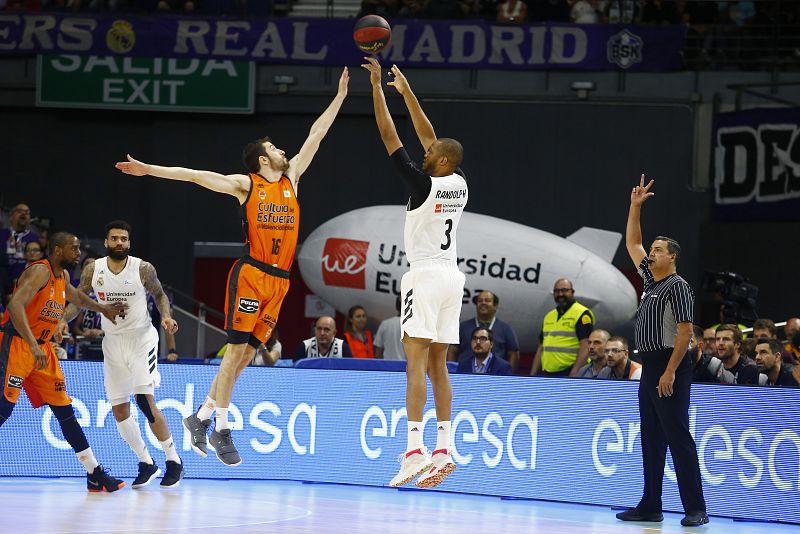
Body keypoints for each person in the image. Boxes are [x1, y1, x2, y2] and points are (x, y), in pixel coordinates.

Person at [116, 68, 349, 467]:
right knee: (235, 351)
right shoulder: (246, 185)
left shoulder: (292, 178)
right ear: (263, 158)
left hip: (280, 281)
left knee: (244, 358)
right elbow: (194, 176)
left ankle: (200, 417)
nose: (282, 151)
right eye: (275, 148)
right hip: (252, 274)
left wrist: (341, 95)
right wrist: (150, 170)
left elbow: (318, 135)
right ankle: (222, 427)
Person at [363, 56, 467, 489]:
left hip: (423, 276)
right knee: (439, 366)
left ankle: (412, 451)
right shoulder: (458, 181)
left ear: (440, 161)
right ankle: (444, 447)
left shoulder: (423, 183)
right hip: (452, 277)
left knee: (415, 364)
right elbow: (431, 137)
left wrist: (376, 89)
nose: (424, 153)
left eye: (429, 154)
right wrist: (407, 93)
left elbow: (390, 136)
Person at [0, 232, 127, 492]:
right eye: (74, 248)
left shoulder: (64, 276)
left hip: (42, 350)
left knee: (65, 412)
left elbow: (76, 297)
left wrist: (103, 309)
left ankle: (94, 472)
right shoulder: (40, 272)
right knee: (4, 409)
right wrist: (33, 345)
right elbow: (15, 306)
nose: (79, 253)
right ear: (58, 250)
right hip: (18, 344)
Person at [61, 220, 184, 488]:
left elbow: (160, 295)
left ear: (129, 243)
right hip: (113, 343)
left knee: (143, 400)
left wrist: (165, 317)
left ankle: (173, 460)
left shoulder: (142, 268)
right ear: (106, 242)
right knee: (119, 410)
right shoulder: (94, 269)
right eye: (114, 238)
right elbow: (79, 300)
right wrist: (63, 320)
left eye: (124, 239)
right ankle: (146, 462)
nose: (119, 243)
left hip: (141, 339)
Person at [615, 175, 708, 527]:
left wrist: (670, 371)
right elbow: (632, 242)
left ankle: (695, 508)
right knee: (651, 439)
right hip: (651, 364)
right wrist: (634, 207)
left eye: (658, 251)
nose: (650, 253)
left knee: (677, 437)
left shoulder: (678, 286)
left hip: (671, 364)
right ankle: (651, 504)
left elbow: (685, 333)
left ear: (673, 257)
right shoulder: (652, 280)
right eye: (651, 250)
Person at [530, 278, 595, 377]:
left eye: (564, 290)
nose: (560, 294)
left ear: (572, 292)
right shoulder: (549, 316)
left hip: (570, 372)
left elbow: (586, 346)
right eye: (557, 291)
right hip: (548, 372)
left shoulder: (581, 313)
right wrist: (532, 375)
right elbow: (541, 348)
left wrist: (574, 373)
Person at [448, 290, 520, 372]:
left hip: (495, 375)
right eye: (480, 300)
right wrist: (452, 372)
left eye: (487, 300)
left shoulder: (505, 329)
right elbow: (452, 350)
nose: (483, 303)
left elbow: (514, 354)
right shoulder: (463, 327)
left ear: (495, 306)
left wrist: (508, 376)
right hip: (465, 373)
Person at [374, 296, 407, 360]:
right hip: (407, 367)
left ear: (396, 307)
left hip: (388, 367)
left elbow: (378, 353)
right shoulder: (415, 326)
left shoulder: (385, 324)